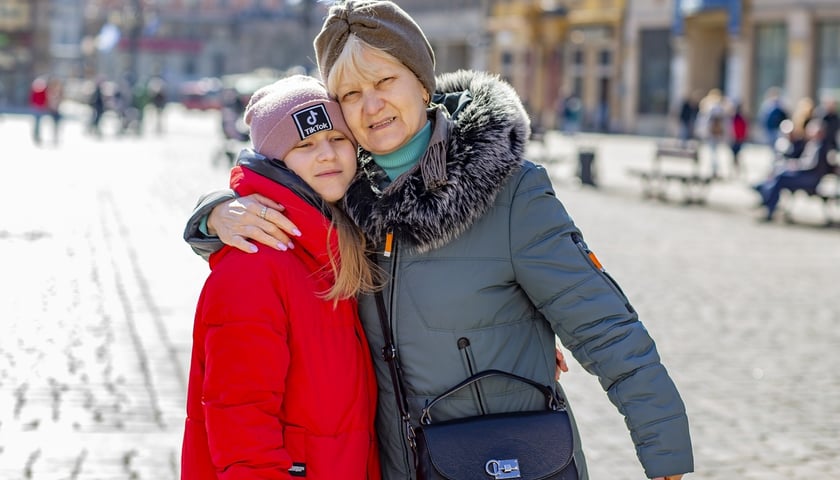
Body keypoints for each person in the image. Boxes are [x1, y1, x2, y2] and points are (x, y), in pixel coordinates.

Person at [183, 2, 693, 479]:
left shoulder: (511, 192)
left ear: (422, 83)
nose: (372, 105)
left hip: (506, 460)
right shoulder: (346, 198)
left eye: (385, 80)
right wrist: (216, 214)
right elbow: (282, 222)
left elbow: (606, 327)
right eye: (351, 95)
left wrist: (666, 453)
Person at [181, 75, 382, 480]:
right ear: (276, 161)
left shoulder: (345, 243)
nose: (326, 155)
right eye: (304, 145)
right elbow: (241, 423)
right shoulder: (254, 264)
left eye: (338, 140)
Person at [753, 118, 835, 222]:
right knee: (779, 174)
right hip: (807, 176)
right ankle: (765, 195)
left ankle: (769, 208)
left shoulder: (820, 146)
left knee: (781, 178)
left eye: (812, 129)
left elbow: (811, 165)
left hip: (810, 179)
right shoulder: (813, 144)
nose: (809, 131)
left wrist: (797, 165)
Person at [729, 102, 749, 179]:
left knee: (736, 157)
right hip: (738, 139)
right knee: (736, 157)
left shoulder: (736, 118)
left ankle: (737, 171)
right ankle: (736, 171)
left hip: (736, 139)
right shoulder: (740, 117)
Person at [29, 76, 48, 145]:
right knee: (37, 122)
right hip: (38, 108)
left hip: (38, 108)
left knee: (37, 122)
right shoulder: (39, 91)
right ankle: (36, 135)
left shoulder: (39, 91)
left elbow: (43, 99)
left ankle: (36, 135)